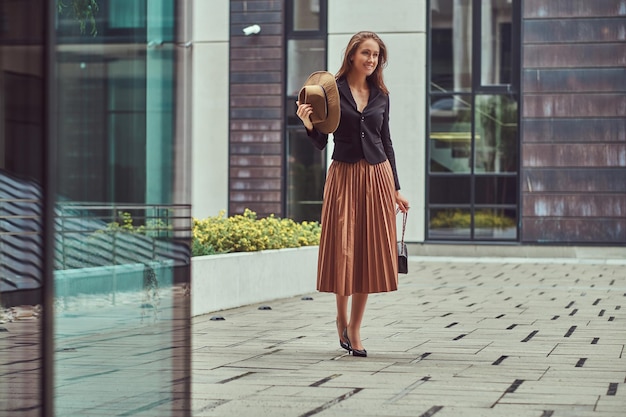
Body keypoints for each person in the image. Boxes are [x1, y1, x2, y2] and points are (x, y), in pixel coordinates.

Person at [296, 31, 409, 357]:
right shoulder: (332, 91)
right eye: (367, 54)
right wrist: (308, 126)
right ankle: (340, 318)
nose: (372, 60)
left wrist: (396, 189)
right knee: (345, 249)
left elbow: (387, 143)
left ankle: (356, 329)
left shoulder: (381, 95)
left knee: (369, 252)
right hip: (344, 174)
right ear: (352, 56)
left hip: (377, 175)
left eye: (376, 56)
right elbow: (321, 140)